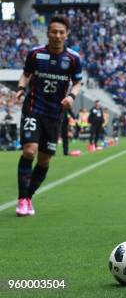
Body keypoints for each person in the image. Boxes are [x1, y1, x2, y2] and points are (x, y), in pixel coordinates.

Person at [15, 15, 82, 216]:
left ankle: (28, 196)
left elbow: (78, 82)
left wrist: (71, 96)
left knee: (44, 160)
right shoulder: (35, 54)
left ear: (66, 34)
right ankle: (22, 200)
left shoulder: (73, 59)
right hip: (33, 109)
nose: (57, 35)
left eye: (61, 32)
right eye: (54, 31)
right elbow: (26, 74)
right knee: (29, 151)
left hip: (54, 115)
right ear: (48, 33)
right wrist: (20, 88)